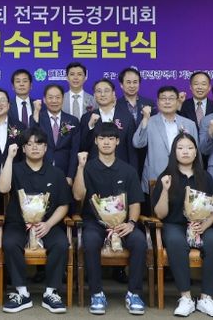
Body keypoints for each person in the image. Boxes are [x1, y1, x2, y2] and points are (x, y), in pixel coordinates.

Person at [73, 123, 147, 315]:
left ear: (117, 142)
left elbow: (135, 203)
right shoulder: (88, 168)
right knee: (90, 241)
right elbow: (78, 195)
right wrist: (80, 167)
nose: (106, 142)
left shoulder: (128, 170)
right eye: (102, 138)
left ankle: (134, 293)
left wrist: (131, 223)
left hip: (123, 224)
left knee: (140, 241)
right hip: (95, 222)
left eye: (111, 138)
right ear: (96, 142)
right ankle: (96, 293)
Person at [0, 127, 71, 314]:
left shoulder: (56, 173)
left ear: (46, 148)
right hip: (18, 224)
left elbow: (64, 205)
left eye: (39, 144)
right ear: (23, 149)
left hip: (47, 225)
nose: (34, 147)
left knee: (61, 243)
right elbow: (3, 188)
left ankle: (51, 293)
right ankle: (22, 293)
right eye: (29, 144)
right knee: (9, 243)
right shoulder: (15, 169)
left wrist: (48, 224)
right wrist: (9, 158)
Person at [152, 133, 213, 317]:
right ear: (174, 152)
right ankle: (186, 298)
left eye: (190, 148)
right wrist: (165, 190)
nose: (185, 151)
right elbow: (160, 214)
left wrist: (204, 226)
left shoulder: (205, 177)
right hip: (174, 224)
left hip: (201, 225)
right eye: (181, 148)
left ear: (196, 152)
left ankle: (206, 298)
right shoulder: (166, 177)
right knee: (176, 243)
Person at [133, 86, 198, 197]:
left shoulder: (189, 124)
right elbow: (137, 143)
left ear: (177, 102)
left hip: (184, 178)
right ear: (158, 102)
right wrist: (145, 119)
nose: (167, 102)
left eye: (171, 98)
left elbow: (196, 153)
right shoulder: (150, 122)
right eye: (163, 98)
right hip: (156, 178)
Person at [79, 78, 137, 169]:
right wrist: (90, 126)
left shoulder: (127, 117)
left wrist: (133, 172)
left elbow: (132, 150)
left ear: (113, 94)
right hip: (94, 169)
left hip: (121, 168)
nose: (102, 94)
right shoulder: (86, 118)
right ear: (94, 95)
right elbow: (82, 146)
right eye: (99, 91)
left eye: (106, 91)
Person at [30, 83, 80, 185]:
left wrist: (70, 175)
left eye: (57, 97)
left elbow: (74, 150)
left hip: (64, 172)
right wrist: (36, 114)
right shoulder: (37, 118)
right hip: (41, 170)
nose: (54, 101)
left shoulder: (72, 120)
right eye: (50, 97)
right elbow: (32, 141)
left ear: (63, 99)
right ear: (44, 100)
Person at [116, 66, 156, 184]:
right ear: (121, 85)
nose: (132, 85)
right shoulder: (115, 105)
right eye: (128, 82)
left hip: (145, 153)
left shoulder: (149, 103)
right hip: (123, 153)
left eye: (135, 82)